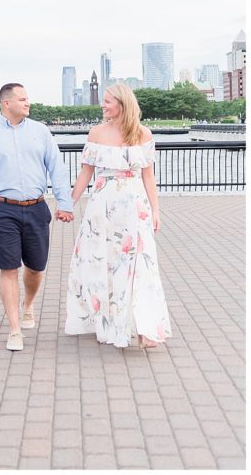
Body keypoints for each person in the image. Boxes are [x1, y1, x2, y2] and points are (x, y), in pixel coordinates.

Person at [63, 83, 171, 348]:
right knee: (101, 261)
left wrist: (155, 211)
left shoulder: (142, 134)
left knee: (140, 264)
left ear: (122, 103)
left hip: (134, 206)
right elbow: (86, 173)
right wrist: (68, 204)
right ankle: (107, 320)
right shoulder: (96, 133)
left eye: (108, 101)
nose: (103, 105)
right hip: (102, 205)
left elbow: (148, 176)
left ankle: (144, 325)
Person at [0, 83, 74, 351]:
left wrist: (65, 203)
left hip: (36, 207)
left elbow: (57, 169)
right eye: (22, 99)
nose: (28, 103)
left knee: (36, 267)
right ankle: (14, 329)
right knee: (8, 268)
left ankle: (28, 306)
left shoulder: (40, 132)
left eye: (27, 98)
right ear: (6, 103)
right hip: (2, 210)